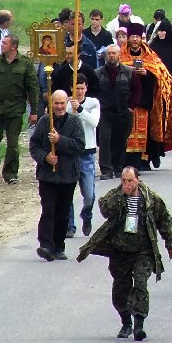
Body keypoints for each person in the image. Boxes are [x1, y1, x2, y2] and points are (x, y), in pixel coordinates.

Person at [77, 167, 172, 342]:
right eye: (124, 180)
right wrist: (121, 195)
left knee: (140, 284)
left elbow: (164, 220)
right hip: (120, 251)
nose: (127, 184)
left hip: (143, 251)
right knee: (120, 288)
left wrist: (171, 244)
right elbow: (105, 209)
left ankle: (139, 324)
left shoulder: (150, 198)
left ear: (138, 180)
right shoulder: (115, 195)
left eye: (130, 180)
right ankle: (126, 322)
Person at [28, 89, 85, 262]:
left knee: (62, 212)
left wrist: (60, 141)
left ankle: (59, 246)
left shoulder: (74, 121)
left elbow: (79, 145)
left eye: (62, 103)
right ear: (51, 104)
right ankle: (46, 245)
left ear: (67, 103)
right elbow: (34, 146)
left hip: (67, 175)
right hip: (47, 176)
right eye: (56, 103)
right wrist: (45, 157)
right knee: (48, 210)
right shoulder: (45, 122)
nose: (59, 107)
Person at [122, 23, 172, 171]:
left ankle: (144, 160)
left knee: (144, 132)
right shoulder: (121, 55)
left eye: (137, 37)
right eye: (132, 37)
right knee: (126, 133)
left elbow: (163, 75)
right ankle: (126, 161)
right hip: (126, 101)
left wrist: (147, 74)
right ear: (128, 38)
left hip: (146, 101)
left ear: (141, 38)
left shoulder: (150, 55)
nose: (135, 40)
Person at [0, 34, 40, 185]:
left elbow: (33, 88)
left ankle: (10, 172)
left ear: (14, 46)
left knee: (12, 144)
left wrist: (34, 111)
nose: (2, 45)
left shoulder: (25, 64)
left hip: (15, 109)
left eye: (5, 43)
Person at [96, 44, 140, 180]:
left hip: (123, 112)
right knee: (104, 140)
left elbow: (137, 89)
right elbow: (92, 91)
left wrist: (131, 107)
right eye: (109, 53)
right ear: (105, 56)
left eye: (114, 53)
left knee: (120, 141)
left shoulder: (128, 72)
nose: (111, 56)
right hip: (104, 113)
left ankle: (118, 167)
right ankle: (106, 169)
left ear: (119, 55)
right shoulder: (98, 73)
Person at [68, 77, 100, 238]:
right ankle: (69, 226)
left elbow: (94, 122)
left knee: (89, 194)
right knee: (67, 191)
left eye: (82, 88)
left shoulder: (93, 103)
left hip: (87, 152)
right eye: (77, 88)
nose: (79, 91)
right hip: (70, 153)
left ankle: (87, 214)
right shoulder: (67, 105)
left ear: (86, 88)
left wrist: (80, 109)